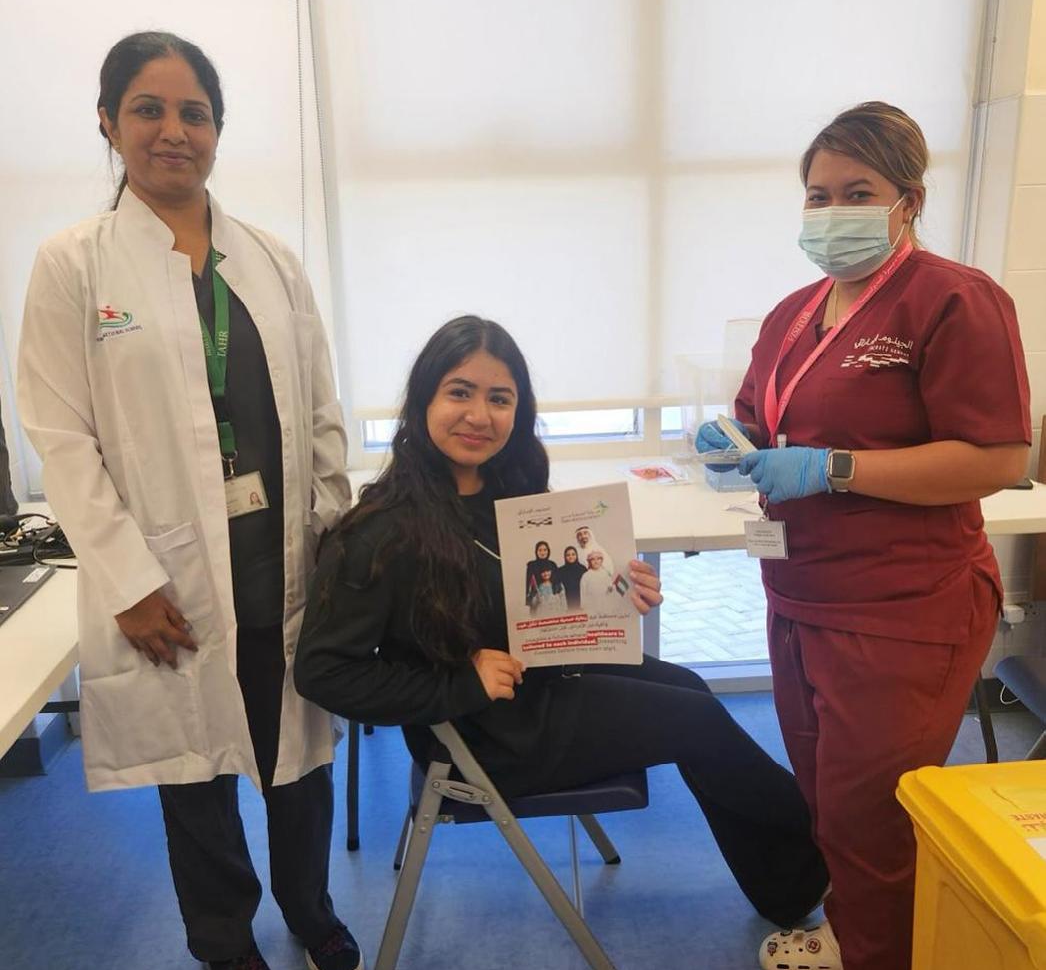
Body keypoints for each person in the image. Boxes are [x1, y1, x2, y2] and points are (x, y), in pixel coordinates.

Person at [296, 313, 831, 934]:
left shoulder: (507, 491)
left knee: (690, 687)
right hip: (482, 731)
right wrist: (459, 682)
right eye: (460, 392)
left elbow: (532, 602)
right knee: (697, 722)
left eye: (500, 399)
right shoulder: (378, 532)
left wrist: (615, 590)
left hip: (537, 680)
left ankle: (789, 886)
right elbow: (323, 672)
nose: (479, 415)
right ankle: (836, 849)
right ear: (423, 401)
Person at [17, 32, 361, 970]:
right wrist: (127, 581)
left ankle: (312, 909)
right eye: (149, 109)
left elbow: (322, 415)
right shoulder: (74, 264)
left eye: (194, 113)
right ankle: (222, 938)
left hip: (281, 562)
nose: (174, 131)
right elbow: (60, 436)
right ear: (108, 121)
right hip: (165, 574)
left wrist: (333, 537)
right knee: (198, 772)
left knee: (300, 759)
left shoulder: (272, 260)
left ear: (217, 128)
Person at [697, 102, 1031, 970]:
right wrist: (733, 440)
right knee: (827, 804)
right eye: (818, 195)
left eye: (857, 192)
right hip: (799, 595)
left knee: (871, 819)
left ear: (908, 200)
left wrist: (835, 468)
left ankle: (880, 953)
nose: (831, 211)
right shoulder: (793, 312)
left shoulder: (955, 300)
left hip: (903, 608)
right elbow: (760, 413)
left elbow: (999, 456)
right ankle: (856, 939)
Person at [579, 549, 620, 615]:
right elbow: (583, 594)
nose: (596, 562)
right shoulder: (586, 576)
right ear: (589, 562)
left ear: (601, 560)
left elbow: (610, 591)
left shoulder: (606, 574)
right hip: (591, 609)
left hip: (605, 608)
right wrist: (585, 609)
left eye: (598, 559)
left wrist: (611, 589)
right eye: (593, 559)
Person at [558, 545, 587, 609]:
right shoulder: (560, 571)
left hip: (581, 602)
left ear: (576, 555)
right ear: (565, 557)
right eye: (568, 555)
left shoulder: (583, 569)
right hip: (566, 603)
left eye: (573, 554)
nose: (571, 557)